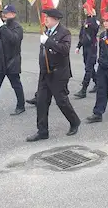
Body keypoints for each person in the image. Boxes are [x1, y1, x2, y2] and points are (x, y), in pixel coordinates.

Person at [25, 8, 80, 142]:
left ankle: (74, 121)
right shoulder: (46, 32)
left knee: (61, 101)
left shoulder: (64, 32)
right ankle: (42, 131)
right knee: (42, 102)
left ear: (55, 19)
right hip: (45, 73)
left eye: (47, 18)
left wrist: (48, 41)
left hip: (58, 73)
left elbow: (65, 50)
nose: (45, 20)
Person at [74, 8, 99, 99]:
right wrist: (78, 46)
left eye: (87, 9)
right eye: (84, 9)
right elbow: (82, 36)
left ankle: (83, 90)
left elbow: (95, 28)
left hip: (92, 48)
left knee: (88, 68)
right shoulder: (85, 22)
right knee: (89, 67)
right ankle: (98, 83)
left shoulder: (94, 21)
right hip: (85, 48)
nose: (85, 10)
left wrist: (93, 16)